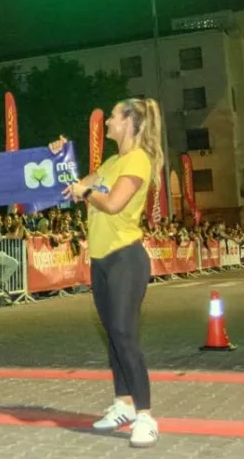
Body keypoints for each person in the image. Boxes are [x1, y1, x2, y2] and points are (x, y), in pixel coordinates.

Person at [50, 98, 163, 448]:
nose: (108, 121)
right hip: (100, 260)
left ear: (128, 121)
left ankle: (145, 416)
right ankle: (123, 404)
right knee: (113, 336)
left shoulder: (138, 160)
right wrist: (59, 158)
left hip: (125, 257)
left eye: (113, 116)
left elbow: (113, 203)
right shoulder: (111, 163)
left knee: (124, 334)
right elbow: (73, 187)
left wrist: (87, 191)